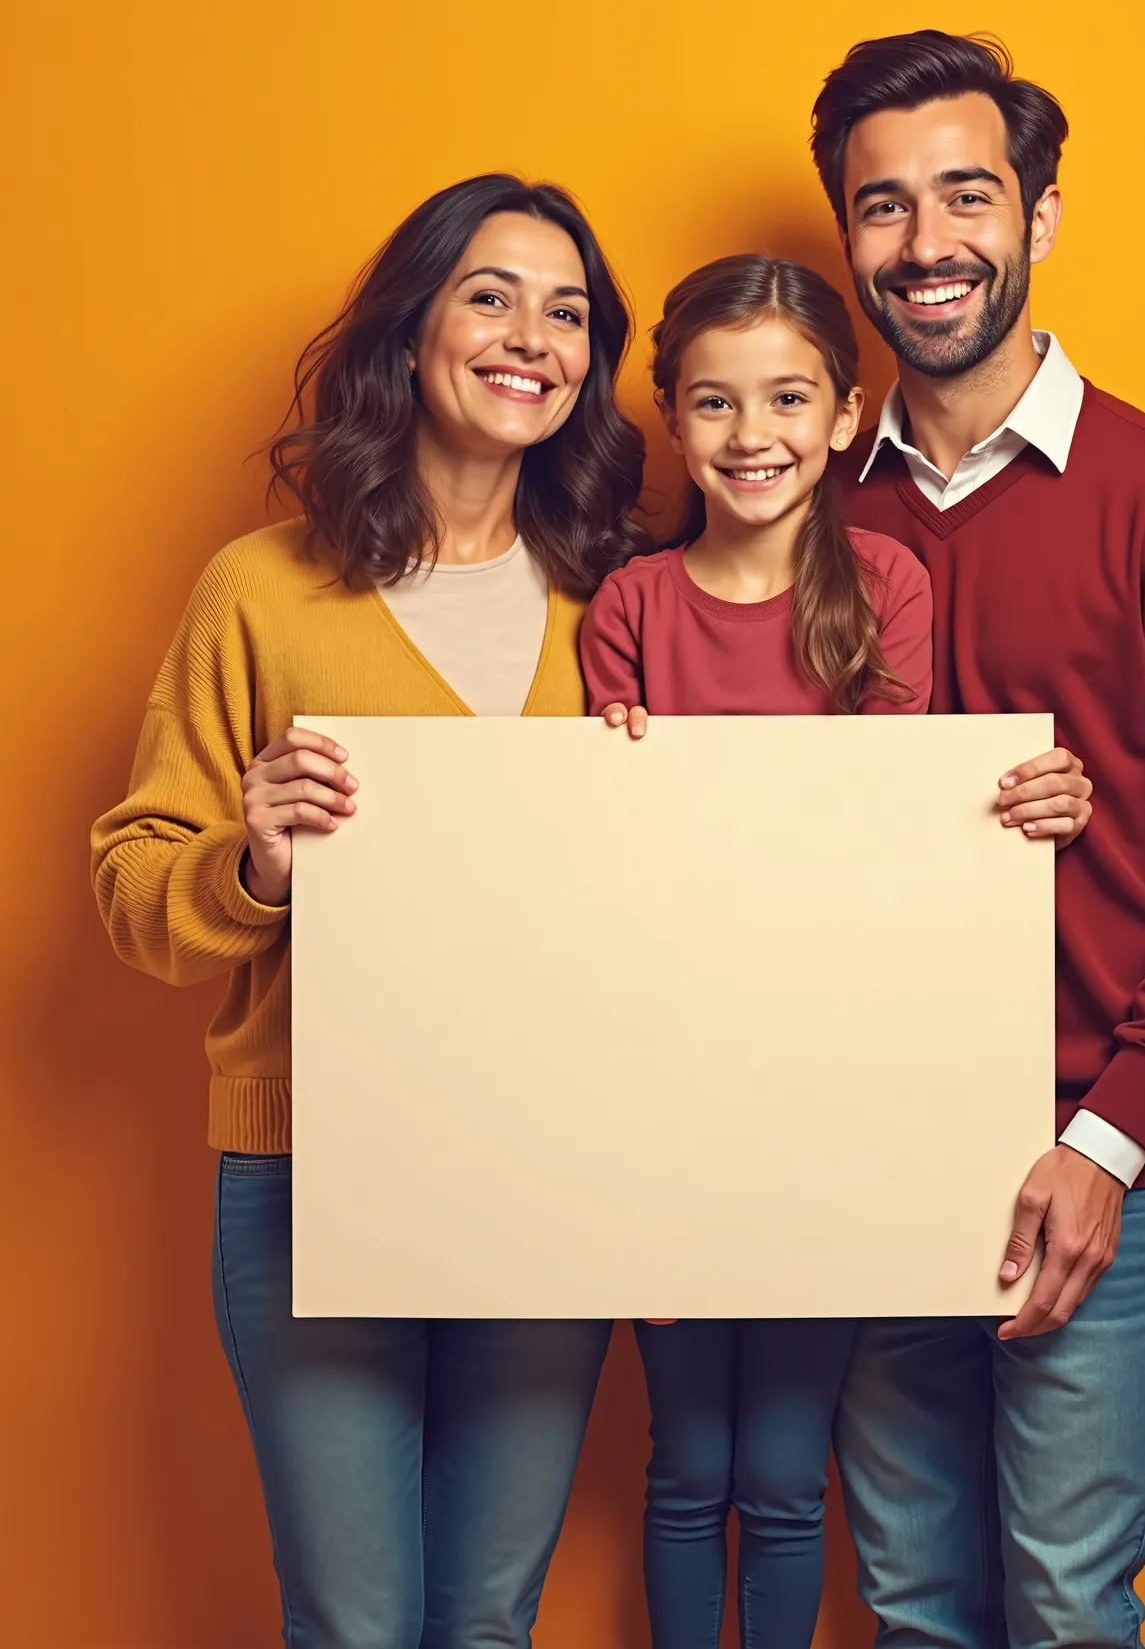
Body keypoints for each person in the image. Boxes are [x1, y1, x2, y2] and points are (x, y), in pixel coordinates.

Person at [90, 173, 646, 1649]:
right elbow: (135, 895)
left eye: (569, 312)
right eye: (490, 293)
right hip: (312, 1170)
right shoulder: (262, 593)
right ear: (411, 334)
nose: (532, 336)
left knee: (487, 1621)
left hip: (546, 1173)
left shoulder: (629, 604)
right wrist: (252, 861)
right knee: (352, 1626)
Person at [808, 29, 1145, 1648]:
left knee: (1073, 1608)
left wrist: (1109, 1140)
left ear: (1040, 216)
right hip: (864, 1150)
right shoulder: (800, 510)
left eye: (968, 195)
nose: (927, 243)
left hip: (1088, 1152)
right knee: (910, 1609)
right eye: (882, 208)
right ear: (846, 240)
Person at [578, 254, 1094, 1649]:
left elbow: (885, 843)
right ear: (672, 420)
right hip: (666, 1106)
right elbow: (611, 881)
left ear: (843, 407)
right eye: (715, 405)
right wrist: (609, 771)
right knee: (688, 1471)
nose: (753, 437)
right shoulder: (628, 606)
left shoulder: (885, 584)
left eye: (789, 398)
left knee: (785, 1479)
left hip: (825, 1108)